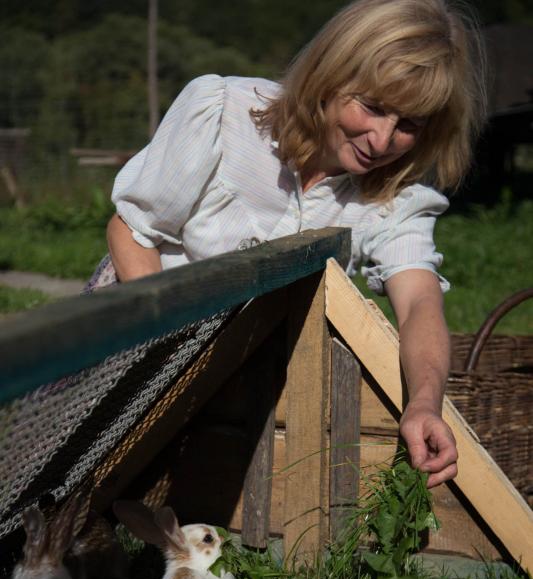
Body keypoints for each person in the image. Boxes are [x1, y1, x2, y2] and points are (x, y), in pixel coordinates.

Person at [105, 0, 487, 490]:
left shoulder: (393, 197)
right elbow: (133, 230)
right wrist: (167, 354)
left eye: (409, 124)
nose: (381, 138)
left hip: (244, 383)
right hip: (143, 334)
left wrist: (423, 405)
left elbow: (418, 304)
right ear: (331, 75)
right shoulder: (223, 115)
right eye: (372, 106)